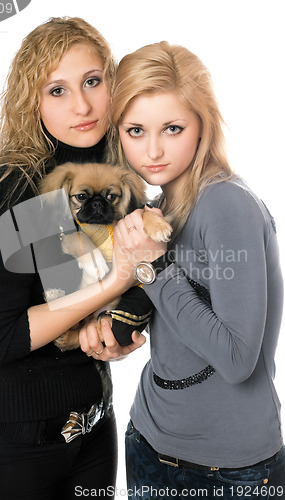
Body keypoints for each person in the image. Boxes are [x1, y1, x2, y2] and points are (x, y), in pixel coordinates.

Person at [81, 42, 285, 498]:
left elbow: (236, 360)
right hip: (150, 442)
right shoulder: (160, 204)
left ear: (202, 125)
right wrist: (124, 336)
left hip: (228, 471)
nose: (152, 150)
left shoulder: (225, 204)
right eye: (135, 130)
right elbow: (182, 325)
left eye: (172, 128)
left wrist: (153, 265)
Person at [0, 17, 145, 500]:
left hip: (94, 429)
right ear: (32, 102)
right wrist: (112, 283)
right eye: (56, 90)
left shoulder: (116, 176)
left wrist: (117, 330)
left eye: (92, 81)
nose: (82, 105)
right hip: (16, 447)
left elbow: (136, 283)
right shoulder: (15, 189)